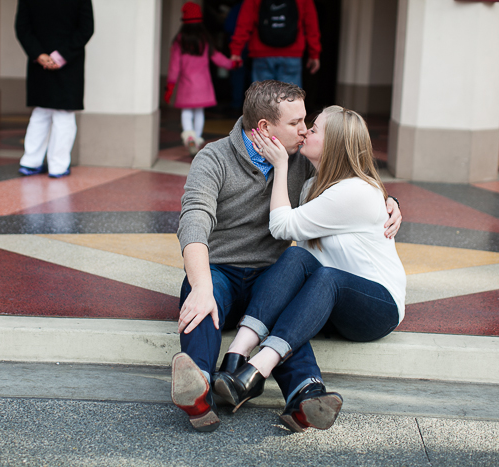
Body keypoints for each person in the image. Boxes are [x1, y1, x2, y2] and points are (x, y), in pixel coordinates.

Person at [171, 80, 402, 433]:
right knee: (204, 297)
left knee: (289, 295)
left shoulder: (301, 160)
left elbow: (346, 177)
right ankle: (199, 384)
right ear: (265, 128)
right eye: (296, 123)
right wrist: (201, 284)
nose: (305, 129)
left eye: (307, 121)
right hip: (221, 271)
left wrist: (391, 202)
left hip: (272, 274)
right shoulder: (213, 158)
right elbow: (194, 221)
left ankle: (304, 394)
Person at [15, 0, 94, 178]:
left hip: (39, 62)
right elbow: (86, 29)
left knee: (41, 112)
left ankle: (30, 162)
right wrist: (60, 56)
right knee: (63, 114)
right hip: (69, 62)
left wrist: (39, 55)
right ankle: (58, 166)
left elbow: (22, 28)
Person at [165, 2, 234, 156]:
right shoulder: (205, 39)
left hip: (186, 86)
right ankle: (197, 138)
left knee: (186, 112)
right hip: (203, 86)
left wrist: (169, 86)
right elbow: (218, 58)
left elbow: (174, 67)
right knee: (199, 113)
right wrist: (232, 64)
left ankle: (189, 136)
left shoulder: (180, 41)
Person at [228, 0, 321, 88]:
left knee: (262, 99)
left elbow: (244, 23)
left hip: (262, 53)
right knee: (290, 99)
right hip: (292, 53)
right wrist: (314, 53)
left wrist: (236, 51)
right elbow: (311, 24)